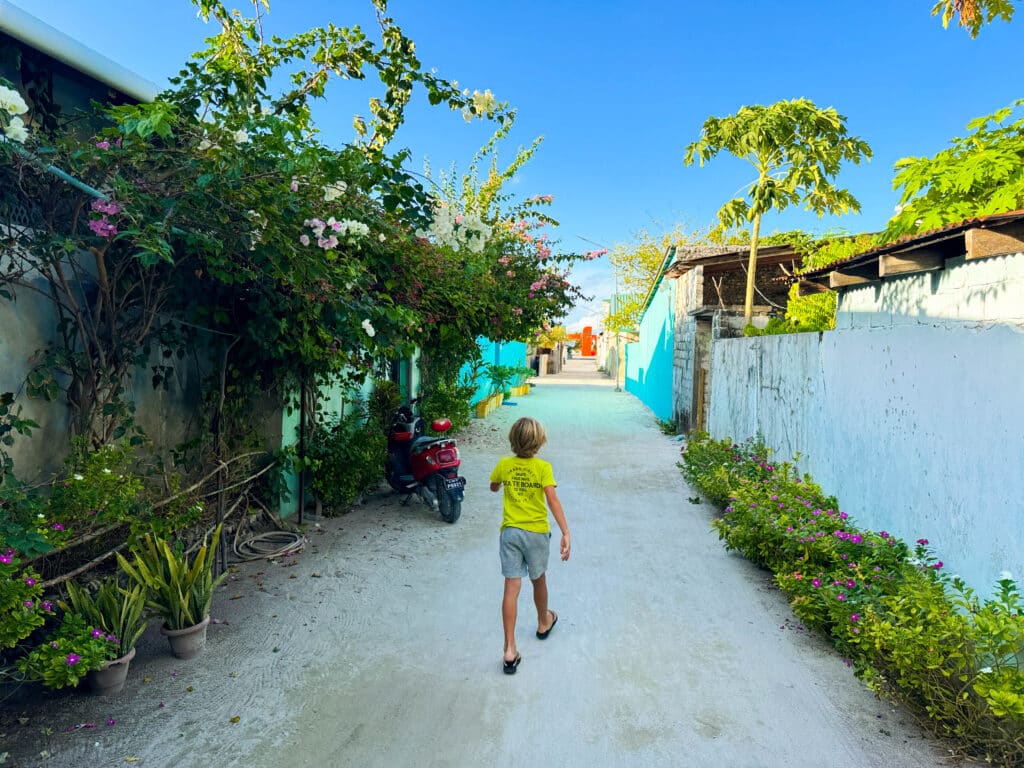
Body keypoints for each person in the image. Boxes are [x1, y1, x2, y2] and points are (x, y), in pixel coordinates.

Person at [489, 417, 570, 674]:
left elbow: (493, 487)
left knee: (511, 587)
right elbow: (552, 499)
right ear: (539, 441)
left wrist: (504, 481)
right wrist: (565, 532)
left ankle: (509, 649)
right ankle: (543, 622)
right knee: (538, 578)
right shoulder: (543, 467)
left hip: (511, 533)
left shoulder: (504, 464)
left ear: (513, 439)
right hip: (536, 533)